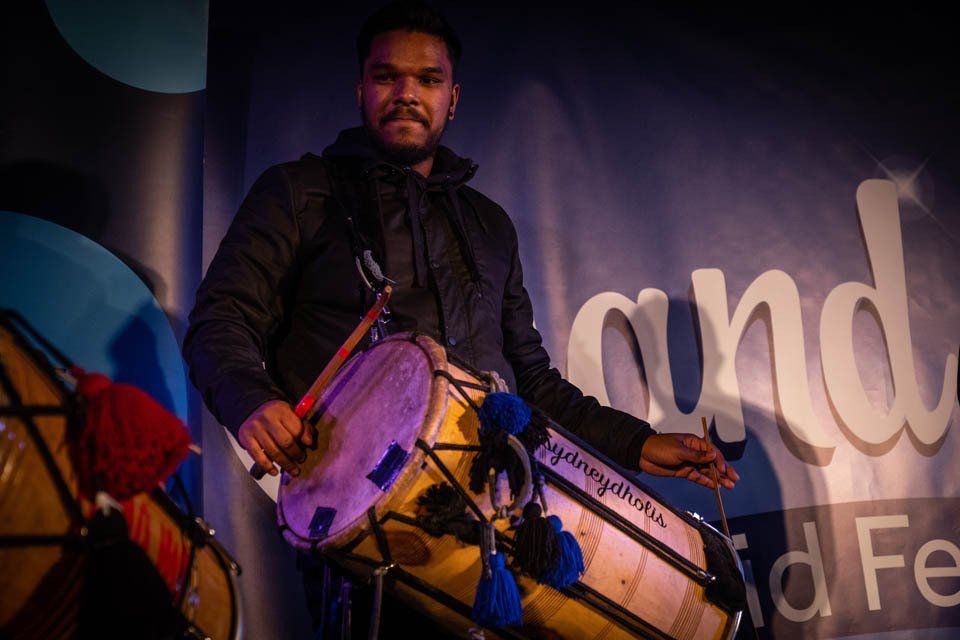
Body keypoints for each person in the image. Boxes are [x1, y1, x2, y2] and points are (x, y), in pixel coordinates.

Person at [183, 1, 738, 635]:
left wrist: (640, 445)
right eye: (387, 76)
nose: (406, 94)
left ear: (454, 98)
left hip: (511, 511)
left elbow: (534, 386)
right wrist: (252, 400)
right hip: (370, 529)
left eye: (427, 79)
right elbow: (219, 320)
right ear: (361, 89)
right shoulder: (297, 193)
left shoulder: (489, 224)